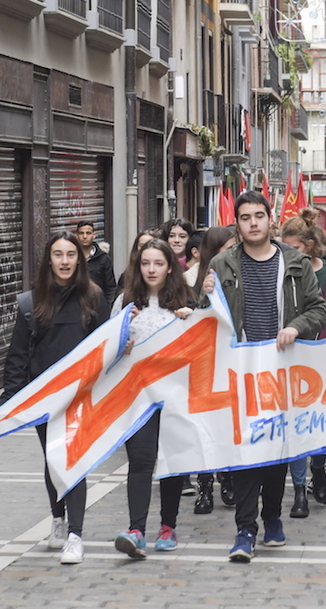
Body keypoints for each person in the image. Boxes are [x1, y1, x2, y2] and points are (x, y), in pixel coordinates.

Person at [204, 191, 326, 563]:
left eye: (259, 216)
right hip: (239, 371)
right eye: (245, 218)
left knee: (275, 452)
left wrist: (295, 326)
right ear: (237, 223)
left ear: (270, 219)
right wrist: (202, 296)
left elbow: (318, 311)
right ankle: (245, 529)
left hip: (281, 370)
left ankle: (272, 517)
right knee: (244, 453)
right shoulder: (222, 263)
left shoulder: (295, 263)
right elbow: (205, 320)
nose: (253, 223)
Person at [0, 231, 111, 564]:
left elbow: (106, 349)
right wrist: (9, 398)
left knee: (72, 460)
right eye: (58, 255)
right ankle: (57, 519)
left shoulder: (94, 297)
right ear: (49, 259)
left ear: (80, 258)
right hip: (43, 396)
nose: (64, 261)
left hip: (80, 396)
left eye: (70, 254)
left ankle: (75, 534)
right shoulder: (32, 302)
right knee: (52, 459)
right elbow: (18, 354)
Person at [111, 239, 196, 559]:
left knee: (172, 462)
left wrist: (194, 320)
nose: (151, 269)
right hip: (138, 398)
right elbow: (109, 351)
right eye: (145, 263)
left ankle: (168, 526)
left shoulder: (186, 302)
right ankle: (136, 529)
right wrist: (122, 345)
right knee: (141, 461)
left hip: (174, 397)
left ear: (170, 267)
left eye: (158, 263)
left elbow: (202, 349)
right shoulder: (125, 303)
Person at [280, 207, 326, 514]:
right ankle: (299, 487)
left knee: (321, 422)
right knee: (297, 423)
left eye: (293, 248)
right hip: (292, 357)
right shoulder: (282, 271)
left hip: (325, 356)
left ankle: (319, 469)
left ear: (308, 246)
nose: (286, 253)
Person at [190, 225, 239, 513]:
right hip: (203, 365)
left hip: (232, 363)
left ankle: (228, 476)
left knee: (227, 425)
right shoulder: (188, 280)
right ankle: (204, 486)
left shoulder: (240, 275)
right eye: (227, 247)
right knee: (205, 428)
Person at [75, 220, 117, 305]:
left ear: (94, 235)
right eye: (81, 233)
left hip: (98, 306)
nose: (85, 236)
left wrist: (107, 307)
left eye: (88, 233)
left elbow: (110, 288)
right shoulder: (72, 257)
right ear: (77, 236)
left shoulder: (104, 259)